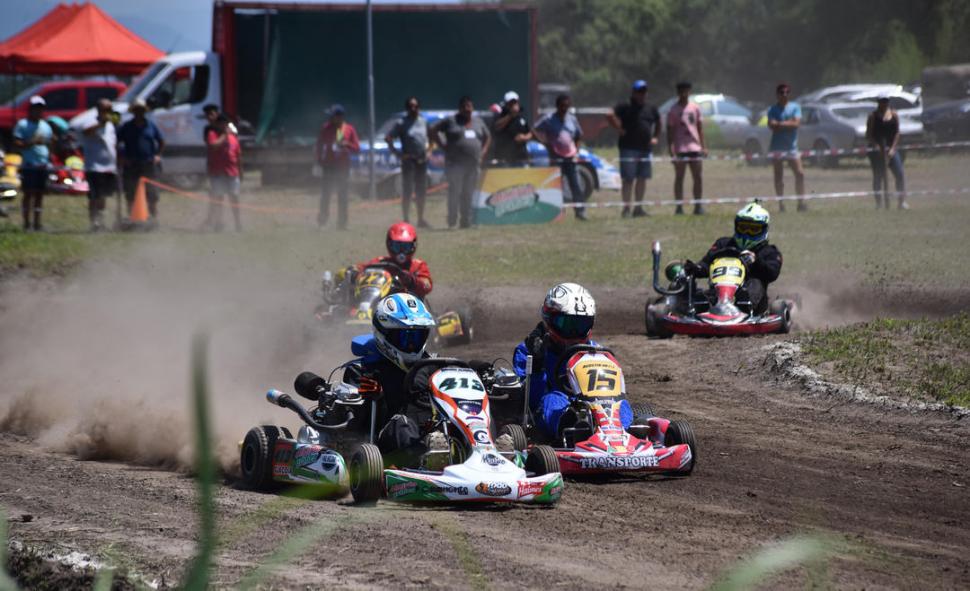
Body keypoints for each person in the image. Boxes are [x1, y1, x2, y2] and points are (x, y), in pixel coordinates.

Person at [512, 283, 633, 441]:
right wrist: (537, 365)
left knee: (620, 405)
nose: (575, 333)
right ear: (549, 320)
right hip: (551, 410)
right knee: (552, 401)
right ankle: (575, 432)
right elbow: (530, 401)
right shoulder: (528, 351)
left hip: (595, 404)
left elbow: (611, 390)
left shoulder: (596, 351)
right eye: (567, 325)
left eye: (581, 325)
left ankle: (625, 434)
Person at [341, 293, 446, 466]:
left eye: (418, 337)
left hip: (433, 432)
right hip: (385, 442)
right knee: (402, 425)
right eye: (406, 337)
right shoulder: (363, 370)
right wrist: (376, 397)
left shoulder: (432, 366)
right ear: (384, 333)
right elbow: (355, 425)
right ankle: (421, 466)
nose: (412, 345)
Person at [682, 203, 782, 315]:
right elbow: (706, 265)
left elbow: (772, 273)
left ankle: (743, 308)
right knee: (694, 289)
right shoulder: (723, 244)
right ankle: (701, 306)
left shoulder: (769, 251)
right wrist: (696, 268)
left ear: (763, 230)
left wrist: (756, 262)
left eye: (753, 229)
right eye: (743, 228)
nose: (747, 233)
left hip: (752, 300)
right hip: (719, 292)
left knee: (755, 282)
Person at [431, 96, 490, 229]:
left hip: (473, 164)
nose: (467, 109)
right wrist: (442, 146)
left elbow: (488, 137)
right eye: (464, 106)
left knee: (468, 193)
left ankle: (466, 221)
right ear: (460, 108)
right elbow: (433, 130)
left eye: (469, 106)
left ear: (472, 108)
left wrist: (483, 151)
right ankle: (452, 220)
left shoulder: (478, 122)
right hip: (455, 164)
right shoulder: (451, 121)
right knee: (455, 192)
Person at [608, 80, 661, 218]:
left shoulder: (651, 107)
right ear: (633, 92)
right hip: (628, 148)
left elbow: (659, 121)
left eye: (644, 91)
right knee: (628, 179)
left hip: (645, 148)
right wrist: (619, 129)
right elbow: (609, 115)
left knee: (642, 178)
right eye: (639, 91)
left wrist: (655, 136)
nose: (641, 94)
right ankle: (626, 209)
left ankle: (638, 208)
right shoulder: (625, 106)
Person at [343, 222, 433, 300]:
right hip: (381, 304)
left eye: (406, 247)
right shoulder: (380, 262)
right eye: (397, 247)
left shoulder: (418, 265)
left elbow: (426, 286)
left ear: (413, 246)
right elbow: (362, 268)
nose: (401, 252)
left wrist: (411, 280)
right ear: (389, 244)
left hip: (409, 308)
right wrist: (354, 271)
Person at [535, 94, 587, 220]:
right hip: (556, 157)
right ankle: (556, 212)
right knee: (556, 186)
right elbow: (535, 130)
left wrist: (576, 151)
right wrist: (545, 144)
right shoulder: (548, 119)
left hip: (570, 158)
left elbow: (579, 135)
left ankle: (580, 212)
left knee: (575, 184)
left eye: (567, 106)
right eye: (563, 106)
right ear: (557, 106)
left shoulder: (572, 119)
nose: (565, 108)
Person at [386, 97, 431, 227]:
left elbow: (432, 137)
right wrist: (398, 153)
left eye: (416, 106)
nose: (413, 109)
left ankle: (421, 219)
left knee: (421, 190)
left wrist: (429, 152)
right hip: (408, 161)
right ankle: (406, 218)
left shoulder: (423, 122)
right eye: (411, 106)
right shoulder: (402, 123)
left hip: (421, 160)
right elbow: (388, 138)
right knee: (408, 190)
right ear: (407, 108)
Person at [118, 99, 165, 221]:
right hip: (131, 164)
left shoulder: (151, 126)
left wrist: (158, 155)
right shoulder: (127, 126)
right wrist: (122, 158)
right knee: (130, 192)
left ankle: (153, 217)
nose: (139, 112)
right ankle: (133, 217)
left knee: (152, 193)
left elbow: (161, 141)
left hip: (148, 164)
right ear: (133, 112)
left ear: (144, 111)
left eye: (141, 110)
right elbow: (117, 142)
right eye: (136, 110)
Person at [315, 104, 360, 229]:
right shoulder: (326, 128)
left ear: (339, 117)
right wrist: (319, 159)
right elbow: (319, 144)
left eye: (332, 115)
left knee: (343, 194)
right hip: (328, 166)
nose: (329, 118)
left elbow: (357, 148)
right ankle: (322, 221)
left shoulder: (349, 129)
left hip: (342, 168)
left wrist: (347, 144)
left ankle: (342, 223)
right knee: (326, 194)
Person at [12, 95, 53, 231]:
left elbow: (50, 143)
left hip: (43, 164)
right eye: (35, 108)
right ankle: (26, 223)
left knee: (39, 194)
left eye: (40, 109)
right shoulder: (22, 124)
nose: (38, 111)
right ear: (30, 109)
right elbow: (17, 143)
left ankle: (37, 223)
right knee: (28, 193)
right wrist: (31, 142)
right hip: (29, 164)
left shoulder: (46, 126)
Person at [666, 81, 707, 215]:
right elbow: (670, 131)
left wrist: (703, 146)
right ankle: (679, 207)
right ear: (678, 92)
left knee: (698, 177)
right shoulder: (673, 110)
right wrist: (671, 149)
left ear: (689, 92)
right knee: (679, 177)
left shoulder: (695, 108)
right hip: (680, 148)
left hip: (694, 147)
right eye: (681, 91)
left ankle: (698, 206)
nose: (684, 93)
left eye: (686, 90)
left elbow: (699, 128)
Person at [79, 98, 118, 232]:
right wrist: (101, 123)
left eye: (110, 110)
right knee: (95, 196)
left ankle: (101, 222)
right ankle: (94, 222)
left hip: (109, 167)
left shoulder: (111, 125)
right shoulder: (91, 121)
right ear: (99, 110)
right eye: (105, 110)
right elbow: (86, 132)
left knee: (103, 196)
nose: (108, 112)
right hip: (95, 167)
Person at [767, 83, 806, 212]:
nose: (784, 94)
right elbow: (771, 125)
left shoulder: (795, 107)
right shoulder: (772, 109)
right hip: (777, 147)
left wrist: (780, 124)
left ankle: (801, 203)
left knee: (800, 174)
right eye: (781, 92)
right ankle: (781, 204)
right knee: (779, 176)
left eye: (786, 92)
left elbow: (796, 124)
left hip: (791, 148)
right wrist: (787, 124)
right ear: (777, 95)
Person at [865, 94, 908, 210]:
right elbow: (868, 135)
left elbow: (897, 133)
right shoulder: (873, 116)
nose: (884, 103)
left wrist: (893, 148)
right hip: (876, 151)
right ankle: (879, 203)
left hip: (891, 150)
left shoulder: (894, 115)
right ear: (878, 102)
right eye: (881, 101)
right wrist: (877, 147)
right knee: (878, 177)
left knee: (899, 174)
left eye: (886, 101)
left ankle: (901, 202)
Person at [203, 114, 243, 231]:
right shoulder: (212, 135)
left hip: (232, 173)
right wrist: (224, 136)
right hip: (217, 173)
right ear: (217, 124)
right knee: (218, 200)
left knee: (234, 199)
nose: (225, 126)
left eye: (226, 124)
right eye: (222, 124)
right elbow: (213, 146)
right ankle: (218, 223)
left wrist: (241, 171)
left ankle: (238, 223)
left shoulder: (233, 138)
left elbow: (238, 155)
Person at [491, 90, 532, 166]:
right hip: (505, 158)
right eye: (510, 103)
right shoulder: (500, 115)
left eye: (515, 102)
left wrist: (524, 137)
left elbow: (529, 132)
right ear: (506, 104)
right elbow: (497, 128)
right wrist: (510, 115)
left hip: (521, 157)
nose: (513, 105)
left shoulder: (522, 116)